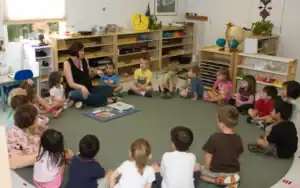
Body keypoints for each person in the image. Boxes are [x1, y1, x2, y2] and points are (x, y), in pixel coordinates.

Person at [200, 105, 243, 187]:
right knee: (234, 175)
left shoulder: (215, 137)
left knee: (197, 169)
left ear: (221, 124)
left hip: (216, 172)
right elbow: (238, 154)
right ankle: (230, 180)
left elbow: (208, 155)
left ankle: (217, 181)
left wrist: (206, 167)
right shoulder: (238, 138)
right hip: (234, 171)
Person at [64, 41, 114, 108]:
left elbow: (88, 76)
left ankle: (81, 101)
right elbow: (71, 84)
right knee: (85, 94)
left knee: (109, 88)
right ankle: (105, 100)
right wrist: (82, 87)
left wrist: (94, 73)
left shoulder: (85, 60)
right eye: (81, 50)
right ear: (75, 51)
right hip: (75, 90)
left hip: (88, 88)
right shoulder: (67, 63)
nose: (83, 52)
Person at [6, 104, 41, 169]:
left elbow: (29, 137)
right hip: (13, 158)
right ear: (30, 121)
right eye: (36, 119)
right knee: (39, 155)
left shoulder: (20, 127)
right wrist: (38, 147)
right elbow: (28, 150)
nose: (37, 120)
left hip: (18, 149)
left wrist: (37, 140)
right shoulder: (19, 133)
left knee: (36, 142)